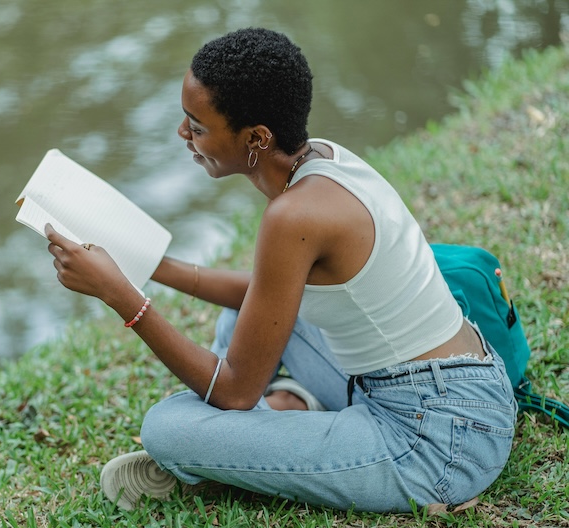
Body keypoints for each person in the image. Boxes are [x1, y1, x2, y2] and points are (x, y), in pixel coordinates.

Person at [44, 28, 517, 513]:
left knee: (166, 428)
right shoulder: (323, 159)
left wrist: (121, 295)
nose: (183, 134)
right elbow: (266, 293)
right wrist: (148, 265)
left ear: (256, 138)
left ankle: (245, 445)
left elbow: (234, 391)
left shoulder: (293, 216)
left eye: (197, 126)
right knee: (241, 318)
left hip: (437, 443)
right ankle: (284, 417)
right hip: (454, 387)